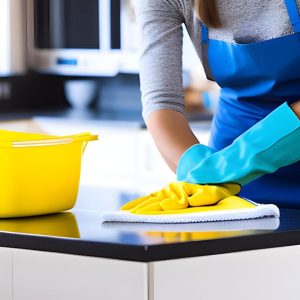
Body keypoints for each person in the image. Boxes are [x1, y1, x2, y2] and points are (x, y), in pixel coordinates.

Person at [134, 0, 300, 209]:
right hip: (234, 185)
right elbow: (161, 101)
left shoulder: (234, 164)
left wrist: (243, 158)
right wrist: (200, 171)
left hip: (237, 164)